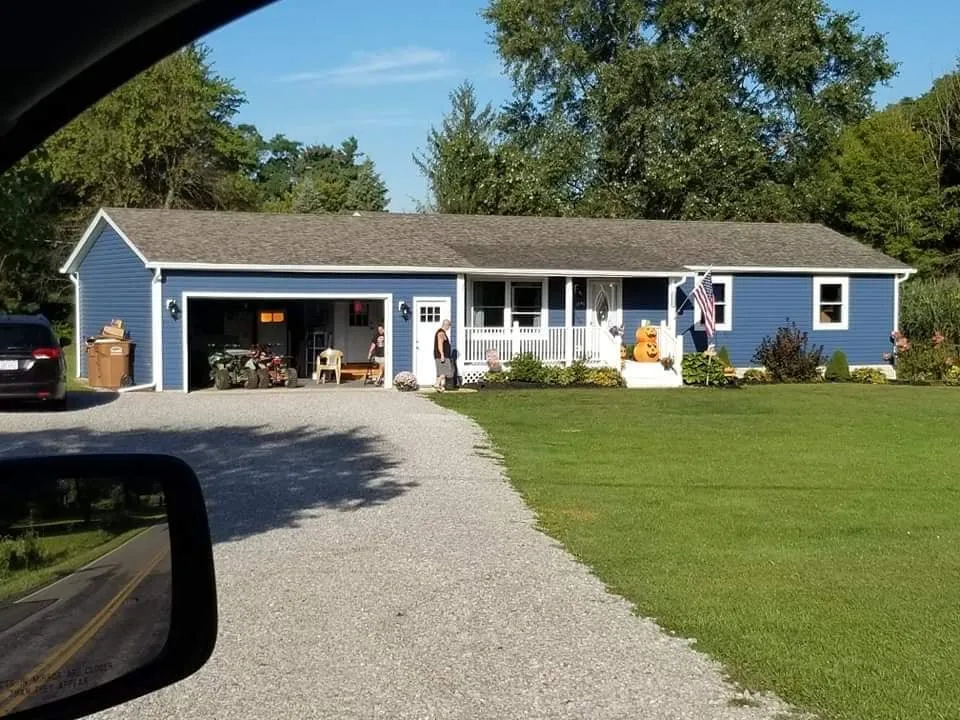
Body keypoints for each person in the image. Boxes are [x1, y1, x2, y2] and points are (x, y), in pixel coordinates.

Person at [433, 319, 453, 392]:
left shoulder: (442, 332)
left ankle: (441, 388)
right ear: (446, 325)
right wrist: (442, 354)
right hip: (442, 356)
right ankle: (437, 383)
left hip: (442, 355)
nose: (449, 328)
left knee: (440, 373)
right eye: (449, 326)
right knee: (446, 372)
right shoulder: (441, 333)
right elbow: (440, 344)